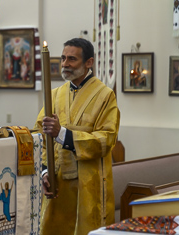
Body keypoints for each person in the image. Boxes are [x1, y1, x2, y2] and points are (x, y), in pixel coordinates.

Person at [34, 38, 120, 235]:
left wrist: (62, 134)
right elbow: (40, 139)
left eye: (71, 59)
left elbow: (106, 139)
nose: (65, 64)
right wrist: (45, 172)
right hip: (58, 186)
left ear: (88, 62)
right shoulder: (54, 95)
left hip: (88, 187)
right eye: (63, 58)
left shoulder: (105, 96)